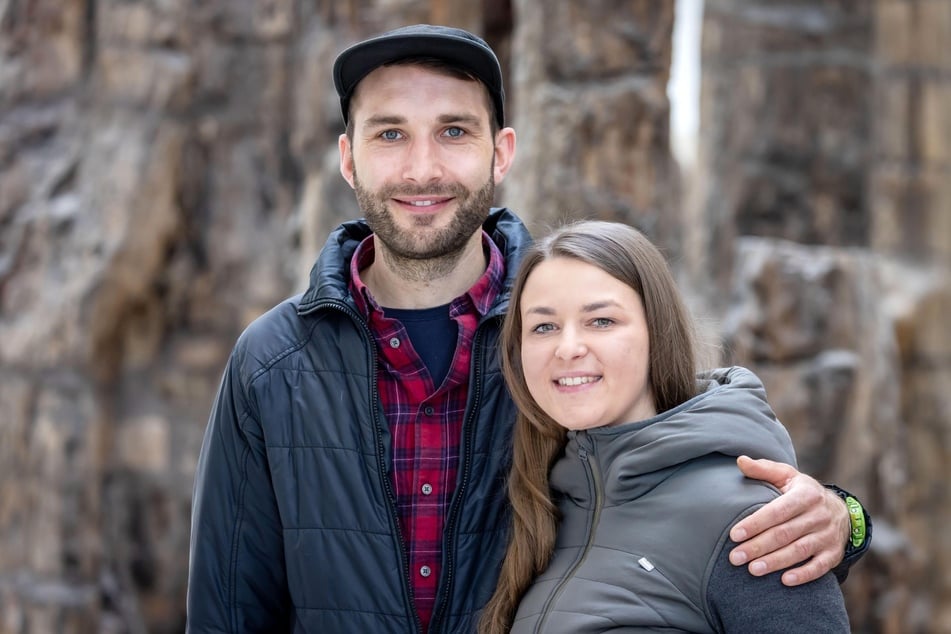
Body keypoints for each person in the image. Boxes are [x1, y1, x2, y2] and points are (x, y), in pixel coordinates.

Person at [185, 24, 870, 633]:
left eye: (454, 131)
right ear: (348, 157)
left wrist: (843, 519)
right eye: (389, 133)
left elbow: (689, 446)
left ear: (500, 153)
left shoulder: (566, 345)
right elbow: (228, 610)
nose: (422, 168)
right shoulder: (271, 363)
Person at [479, 220, 852, 633]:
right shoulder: (543, 507)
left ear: (657, 332)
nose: (567, 349)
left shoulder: (756, 523)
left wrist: (847, 515)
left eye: (601, 321)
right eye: (543, 327)